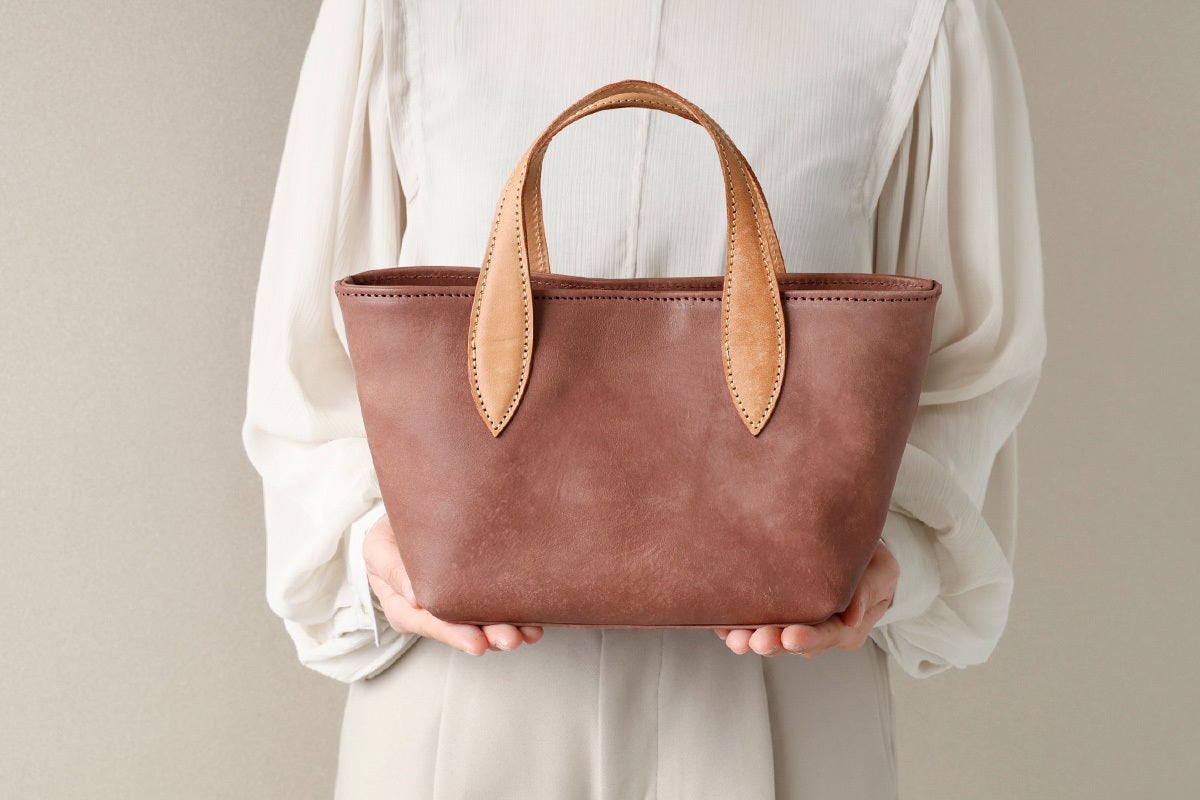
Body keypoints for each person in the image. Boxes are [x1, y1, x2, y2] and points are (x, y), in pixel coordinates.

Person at [240, 0, 1046, 797]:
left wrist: (888, 552)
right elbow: (306, 375)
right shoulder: (393, 11)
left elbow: (969, 384)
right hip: (465, 703)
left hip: (782, 698)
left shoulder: (917, 17)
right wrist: (372, 546)